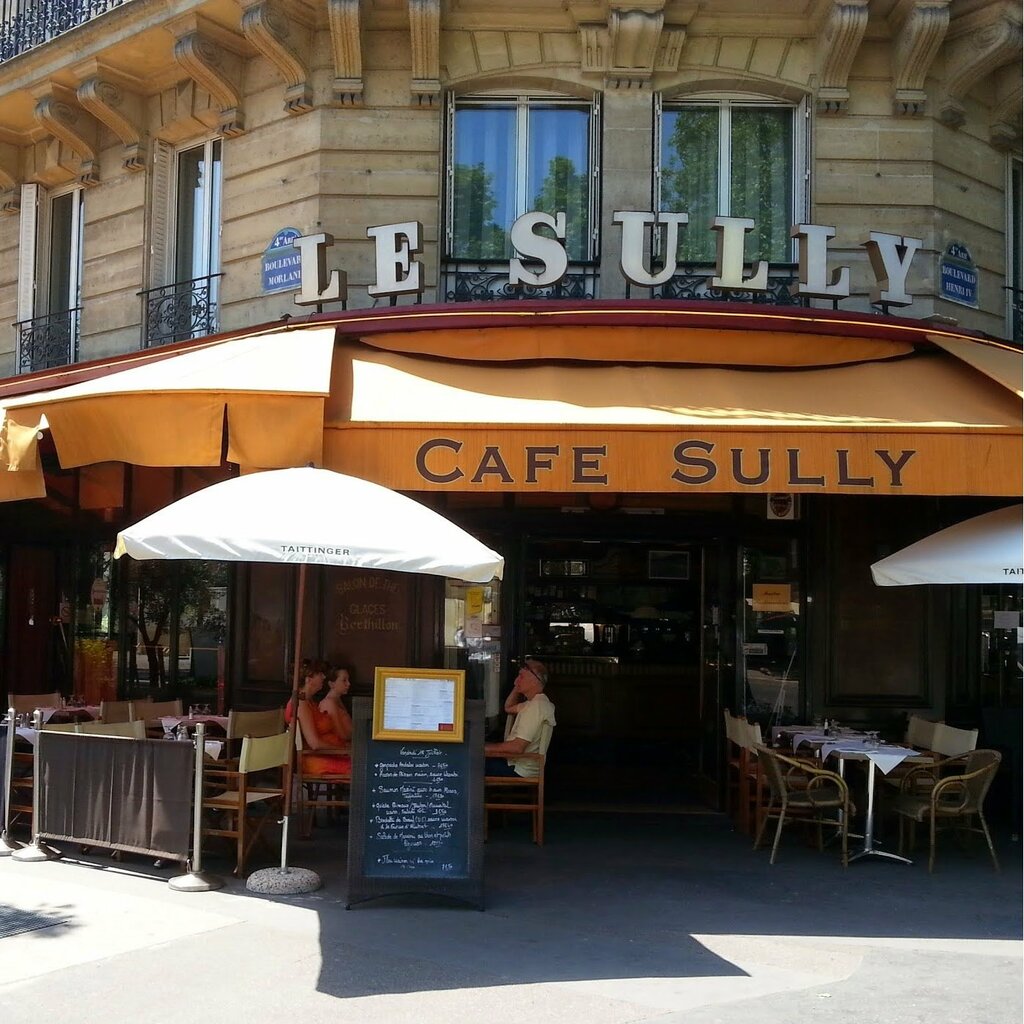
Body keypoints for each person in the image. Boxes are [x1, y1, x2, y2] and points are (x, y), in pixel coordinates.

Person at [484, 658, 555, 778]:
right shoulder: (534, 703)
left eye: (521, 676)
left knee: (471, 762)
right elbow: (508, 707)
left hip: (519, 770)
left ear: (534, 680)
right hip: (515, 763)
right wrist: (518, 686)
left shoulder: (536, 707)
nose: (516, 680)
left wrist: (485, 748)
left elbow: (517, 748)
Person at [285, 657, 351, 776]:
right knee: (364, 768)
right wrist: (343, 750)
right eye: (320, 674)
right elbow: (314, 743)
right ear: (308, 680)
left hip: (330, 754)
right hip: (316, 759)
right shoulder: (301, 705)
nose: (324, 677)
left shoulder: (309, 702)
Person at [319, 665, 353, 743]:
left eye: (348, 680)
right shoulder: (329, 703)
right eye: (344, 680)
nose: (348, 684)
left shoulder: (338, 700)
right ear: (331, 684)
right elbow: (338, 733)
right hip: (339, 745)